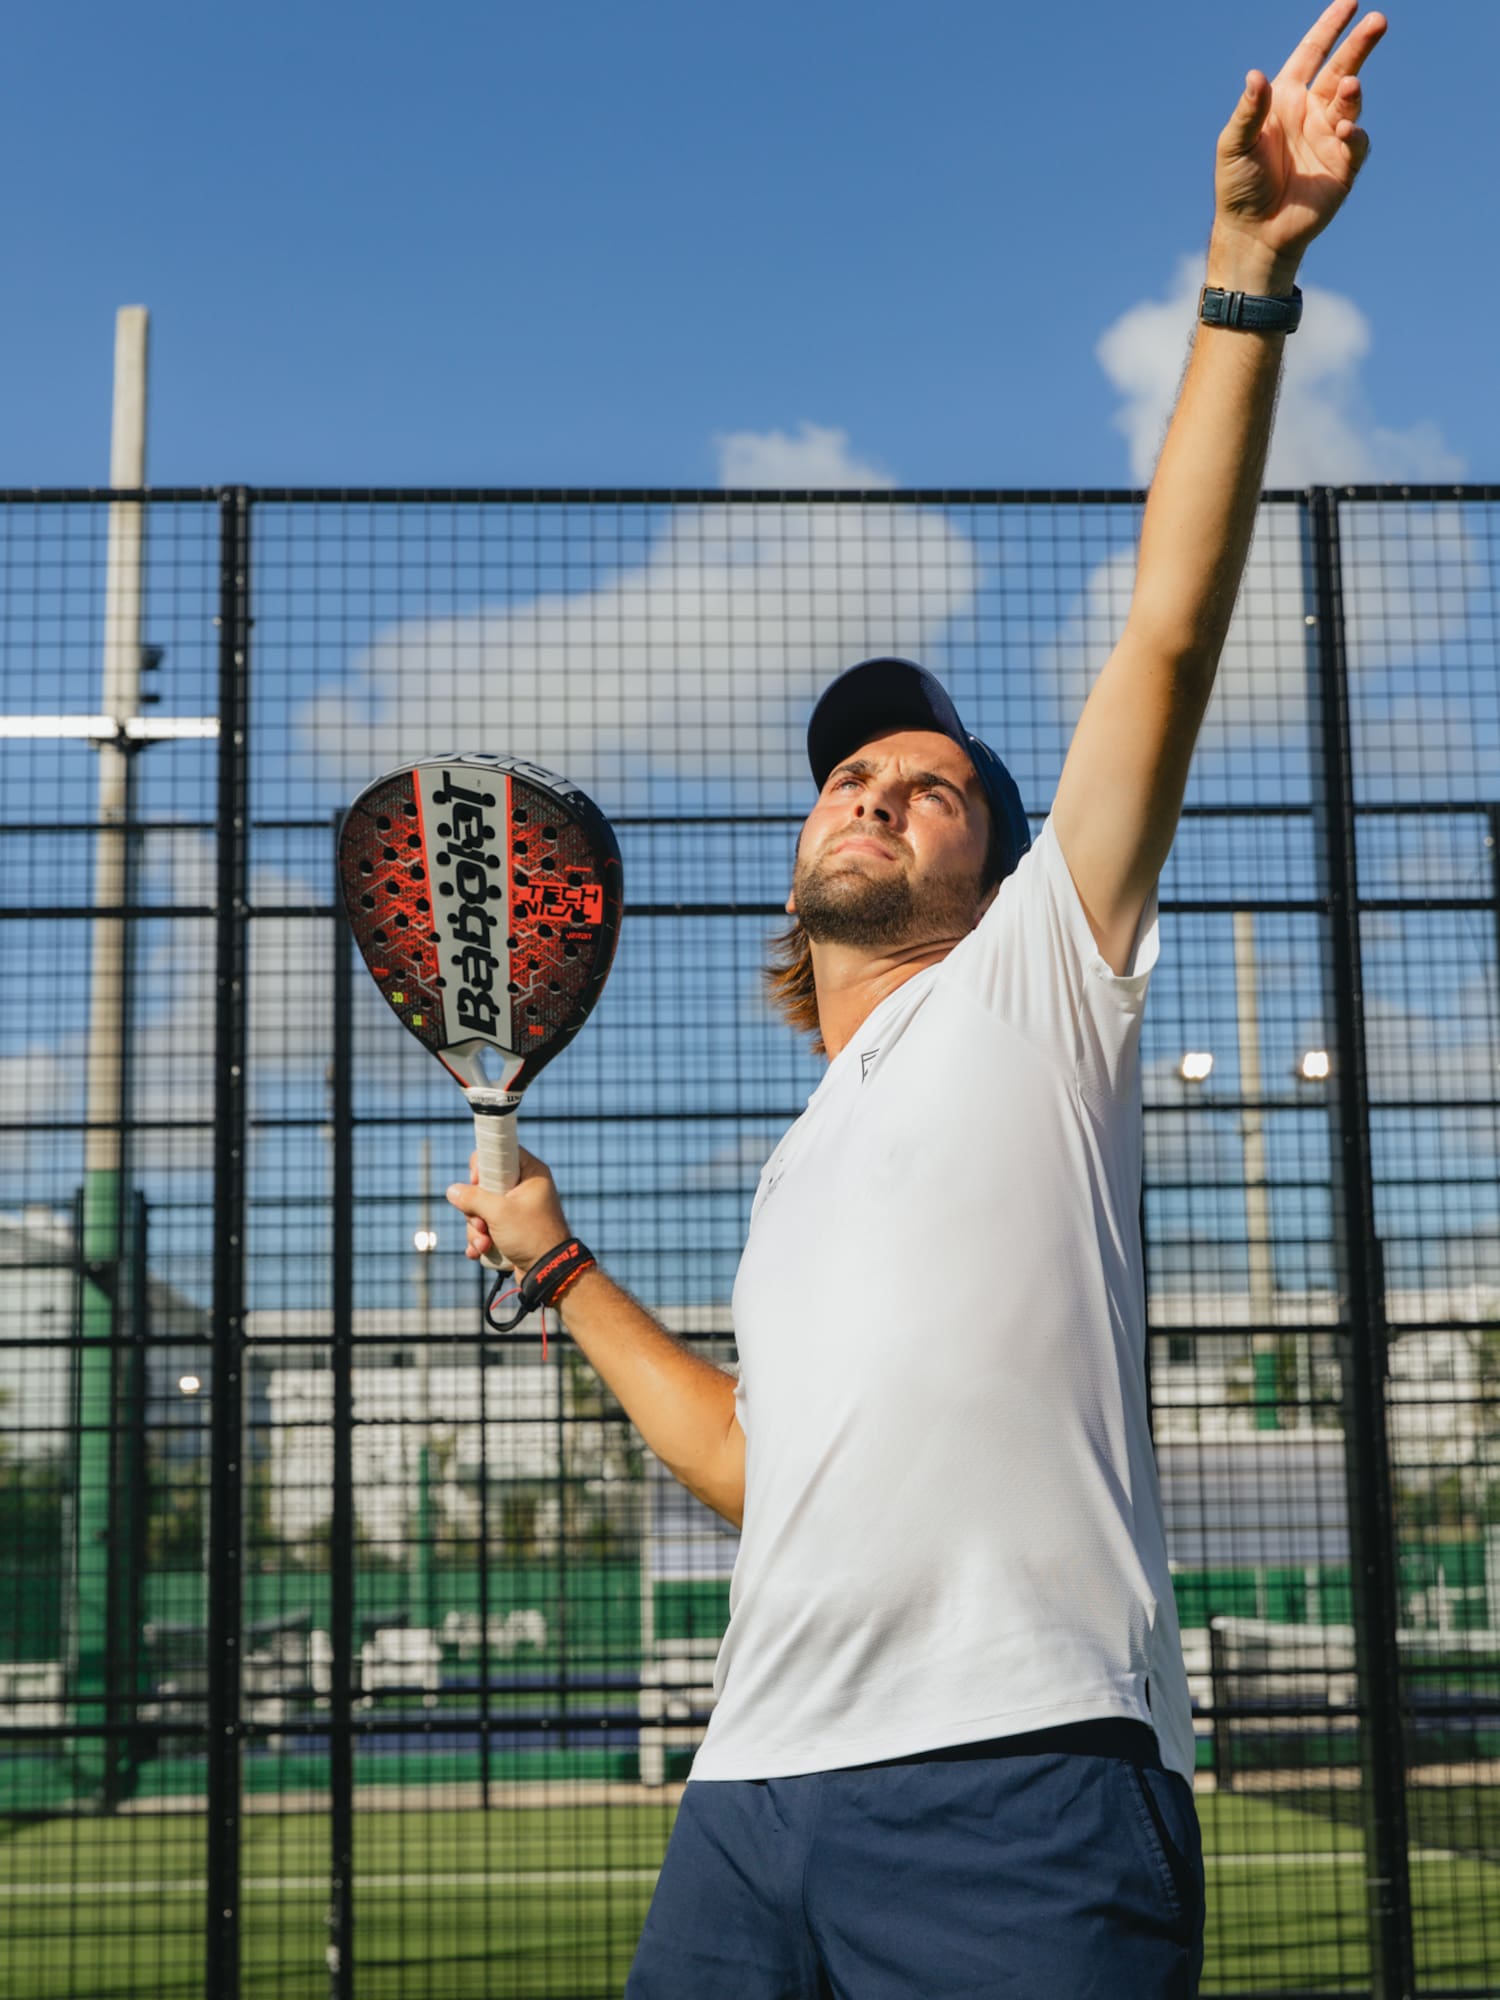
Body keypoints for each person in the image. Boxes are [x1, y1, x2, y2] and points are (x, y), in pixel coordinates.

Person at [447, 7, 1385, 1991]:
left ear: (999, 861)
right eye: (852, 774)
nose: (875, 790)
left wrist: (1248, 269)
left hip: (1017, 1785)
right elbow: (753, 1469)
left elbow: (1166, 629)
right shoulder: (799, 1165)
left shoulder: (1042, 983)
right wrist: (565, 1270)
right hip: (747, 1801)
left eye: (930, 783)